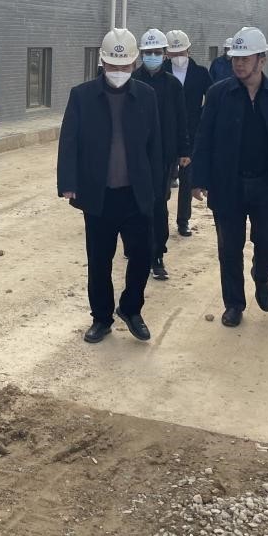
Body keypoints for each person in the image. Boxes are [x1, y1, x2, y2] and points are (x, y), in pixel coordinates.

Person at [191, 27, 268, 328]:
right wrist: (198, 178)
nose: (239, 63)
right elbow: (204, 138)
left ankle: (262, 276)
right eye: (235, 58)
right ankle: (234, 304)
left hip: (267, 184)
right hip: (228, 183)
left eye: (246, 58)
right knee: (229, 248)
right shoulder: (218, 94)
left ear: (262, 60)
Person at [57, 28, 162, 344]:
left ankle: (131, 309)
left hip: (136, 193)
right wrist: (68, 182)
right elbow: (69, 141)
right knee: (99, 261)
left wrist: (158, 187)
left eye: (124, 65)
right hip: (98, 194)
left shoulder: (146, 96)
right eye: (113, 65)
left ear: (134, 64)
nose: (118, 71)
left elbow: (155, 146)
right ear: (102, 62)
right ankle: (101, 318)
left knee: (142, 256)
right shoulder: (82, 96)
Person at [133, 28, 188, 280]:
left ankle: (157, 254)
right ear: (141, 54)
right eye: (148, 52)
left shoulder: (173, 85)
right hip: (136, 154)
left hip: (163, 155)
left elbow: (181, 119)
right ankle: (137, 248)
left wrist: (183, 150)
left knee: (158, 204)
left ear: (165, 54)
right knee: (135, 204)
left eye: (157, 52)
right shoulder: (133, 81)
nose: (152, 56)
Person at [166, 30, 212, 238]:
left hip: (192, 133)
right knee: (163, 179)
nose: (177, 56)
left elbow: (211, 97)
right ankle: (159, 218)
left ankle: (183, 220)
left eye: (181, 52)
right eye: (173, 53)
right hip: (167, 133)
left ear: (188, 50)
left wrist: (201, 117)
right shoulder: (162, 72)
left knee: (187, 180)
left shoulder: (200, 73)